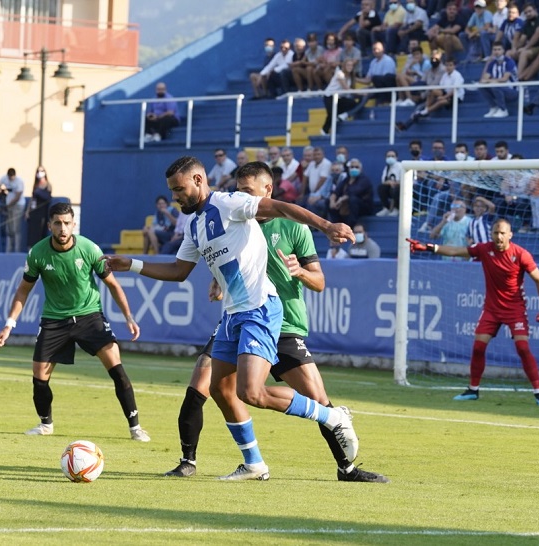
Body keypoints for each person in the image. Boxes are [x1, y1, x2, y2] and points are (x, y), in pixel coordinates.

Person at [103, 158, 359, 480]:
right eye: (172, 191)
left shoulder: (229, 203)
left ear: (198, 179)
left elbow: (281, 208)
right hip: (232, 315)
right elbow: (179, 271)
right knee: (221, 390)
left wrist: (326, 226)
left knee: (251, 392)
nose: (175, 197)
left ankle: (332, 417)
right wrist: (132, 265)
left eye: (179, 189)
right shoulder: (194, 225)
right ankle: (254, 464)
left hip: (260, 308)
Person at [163, 168, 387, 483]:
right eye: (238, 188)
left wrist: (300, 272)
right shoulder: (232, 216)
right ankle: (192, 460)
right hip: (240, 317)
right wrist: (219, 282)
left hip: (282, 323)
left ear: (268, 190)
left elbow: (320, 282)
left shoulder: (294, 226)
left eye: (248, 190)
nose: (241, 195)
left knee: (317, 399)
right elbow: (220, 258)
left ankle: (346, 468)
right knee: (207, 383)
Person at [0, 202, 150, 441]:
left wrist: (129, 317)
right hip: (54, 320)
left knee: (117, 368)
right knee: (39, 377)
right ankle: (45, 424)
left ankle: (135, 427)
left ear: (74, 224)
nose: (62, 228)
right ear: (49, 226)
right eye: (57, 223)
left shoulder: (89, 249)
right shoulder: (37, 253)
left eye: (67, 223)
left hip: (90, 317)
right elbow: (23, 290)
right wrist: (9, 324)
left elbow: (113, 285)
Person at [407, 218, 539, 406]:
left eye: (502, 233)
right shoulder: (484, 249)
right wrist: (427, 247)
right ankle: (473, 390)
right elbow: (455, 251)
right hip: (491, 309)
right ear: (491, 234)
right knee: (478, 347)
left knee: (523, 348)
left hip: (515, 309)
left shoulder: (521, 254)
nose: (498, 236)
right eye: (495, 233)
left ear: (510, 235)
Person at [321, 59, 364, 136]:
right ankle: (324, 131)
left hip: (339, 97)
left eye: (351, 65)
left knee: (352, 103)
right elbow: (346, 88)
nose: (350, 67)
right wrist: (362, 93)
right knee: (332, 114)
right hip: (329, 96)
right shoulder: (339, 73)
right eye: (348, 65)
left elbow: (355, 86)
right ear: (344, 66)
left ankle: (342, 116)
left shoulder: (351, 77)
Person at [328, 158, 375, 227]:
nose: (354, 169)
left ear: (360, 169)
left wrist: (341, 199)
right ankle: (335, 225)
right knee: (328, 201)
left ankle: (351, 225)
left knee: (352, 199)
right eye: (352, 167)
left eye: (356, 167)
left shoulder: (364, 180)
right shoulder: (346, 179)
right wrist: (332, 201)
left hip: (363, 207)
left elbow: (354, 192)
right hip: (345, 206)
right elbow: (336, 192)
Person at [0, 168, 26, 253]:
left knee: (16, 229)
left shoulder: (19, 181)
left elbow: (17, 197)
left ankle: (16, 250)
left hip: (18, 205)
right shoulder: (4, 178)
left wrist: (7, 205)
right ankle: (8, 250)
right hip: (9, 206)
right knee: (9, 229)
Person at [25, 166, 53, 247]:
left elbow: (48, 197)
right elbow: (32, 199)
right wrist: (27, 211)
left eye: (42, 171)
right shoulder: (36, 185)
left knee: (40, 232)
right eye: (38, 171)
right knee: (32, 232)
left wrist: (39, 191)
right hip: (33, 212)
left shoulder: (48, 185)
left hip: (42, 212)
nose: (40, 173)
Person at [376, 149, 404, 216]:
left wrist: (395, 183)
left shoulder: (401, 166)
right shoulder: (387, 168)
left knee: (396, 189)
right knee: (381, 188)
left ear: (396, 157)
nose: (390, 158)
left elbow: (404, 180)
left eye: (392, 156)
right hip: (390, 187)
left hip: (400, 188)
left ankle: (397, 208)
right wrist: (389, 182)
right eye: (388, 156)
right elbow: (383, 181)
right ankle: (386, 208)